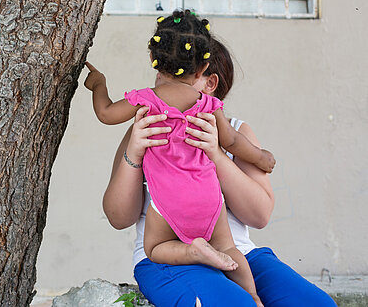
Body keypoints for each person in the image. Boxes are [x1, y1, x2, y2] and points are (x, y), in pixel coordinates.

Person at [96, 34, 337, 306]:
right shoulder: (148, 126)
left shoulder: (237, 132)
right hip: (170, 257)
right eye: (162, 73)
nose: (164, 83)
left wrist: (216, 154)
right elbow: (118, 217)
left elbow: (259, 215)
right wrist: (134, 152)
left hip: (237, 253)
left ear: (209, 83)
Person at [85, 10, 275, 306]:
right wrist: (261, 158)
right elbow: (233, 141)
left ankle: (193, 251)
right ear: (202, 70)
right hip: (209, 199)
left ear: (154, 61)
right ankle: (252, 296)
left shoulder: (146, 103)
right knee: (229, 248)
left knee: (156, 247)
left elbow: (106, 113)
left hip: (168, 203)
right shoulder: (209, 105)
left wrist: (98, 83)